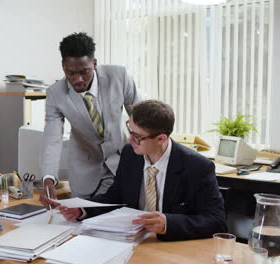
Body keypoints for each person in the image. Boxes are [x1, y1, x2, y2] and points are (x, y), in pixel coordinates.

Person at [59, 100, 227, 241]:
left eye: (137, 137)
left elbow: (217, 221)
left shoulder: (197, 167)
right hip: (130, 240)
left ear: (161, 139)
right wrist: (83, 210)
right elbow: (115, 197)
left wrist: (168, 223)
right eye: (130, 130)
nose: (130, 139)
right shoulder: (130, 154)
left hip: (170, 245)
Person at [39, 32, 141, 207]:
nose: (78, 80)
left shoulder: (119, 76)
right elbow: (52, 139)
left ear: (94, 64)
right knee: (83, 224)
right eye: (71, 73)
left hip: (123, 165)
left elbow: (141, 117)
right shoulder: (55, 94)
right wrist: (48, 177)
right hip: (85, 175)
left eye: (84, 72)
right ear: (63, 66)